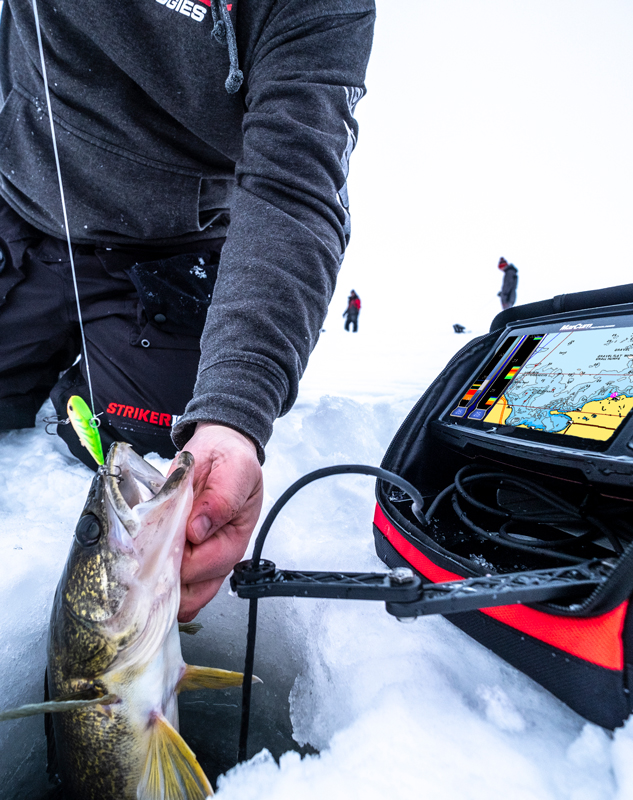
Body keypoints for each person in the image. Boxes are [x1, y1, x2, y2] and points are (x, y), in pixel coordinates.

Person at [0, 0, 375, 621]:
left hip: (171, 256)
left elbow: (292, 188)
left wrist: (234, 414)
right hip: (22, 215)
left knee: (150, 457)